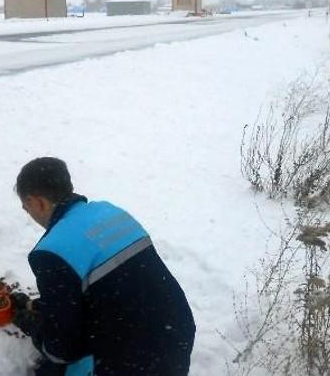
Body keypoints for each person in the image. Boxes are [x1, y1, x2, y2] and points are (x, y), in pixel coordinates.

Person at [11, 157, 196, 376]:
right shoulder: (111, 212)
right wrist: (45, 307)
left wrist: (35, 327)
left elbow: (63, 349)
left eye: (27, 207)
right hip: (176, 334)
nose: (29, 214)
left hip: (134, 363)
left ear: (39, 202)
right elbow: (115, 287)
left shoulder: (50, 252)